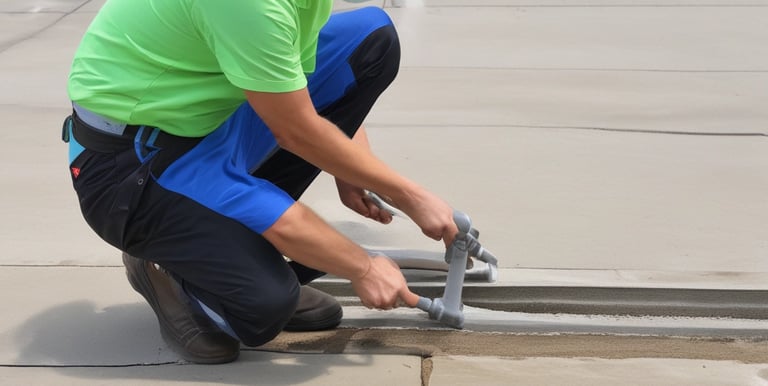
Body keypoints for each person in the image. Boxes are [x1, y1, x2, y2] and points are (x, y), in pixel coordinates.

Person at [63, 0, 458, 363]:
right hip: (134, 167)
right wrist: (365, 265)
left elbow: (296, 87)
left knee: (373, 39)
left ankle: (232, 252)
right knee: (263, 307)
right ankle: (166, 266)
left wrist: (351, 167)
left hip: (206, 122)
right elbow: (296, 131)